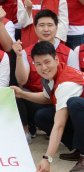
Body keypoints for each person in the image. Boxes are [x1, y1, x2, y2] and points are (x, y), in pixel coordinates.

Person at [12, 41, 84, 172]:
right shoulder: (55, 74)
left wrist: (47, 158)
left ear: (56, 59)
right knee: (42, 117)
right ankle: (80, 149)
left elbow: (59, 125)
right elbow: (47, 98)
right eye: (38, 64)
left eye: (47, 62)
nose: (43, 67)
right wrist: (22, 94)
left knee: (74, 104)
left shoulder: (66, 83)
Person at [13, 9, 78, 144]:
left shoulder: (69, 53)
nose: (46, 29)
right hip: (37, 99)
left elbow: (75, 86)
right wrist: (19, 56)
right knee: (18, 93)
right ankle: (26, 130)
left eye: (50, 25)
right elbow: (22, 80)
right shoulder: (26, 52)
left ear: (57, 27)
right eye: (41, 25)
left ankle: (61, 133)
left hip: (59, 101)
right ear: (35, 28)